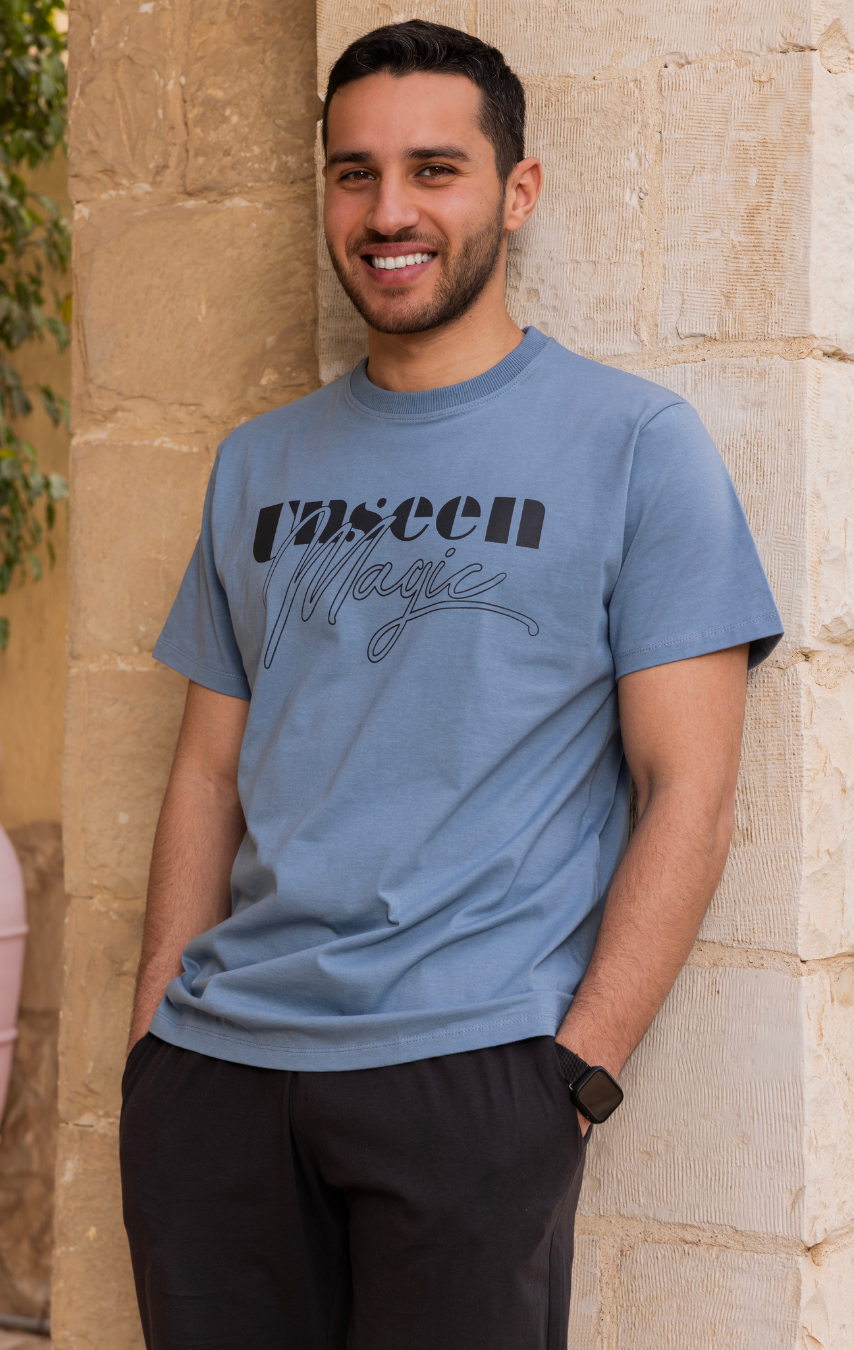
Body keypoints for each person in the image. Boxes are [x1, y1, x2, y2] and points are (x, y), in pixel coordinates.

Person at [117, 19, 783, 1350]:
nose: (389, 212)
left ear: (516, 191)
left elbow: (691, 795)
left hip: (471, 1078)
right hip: (221, 1081)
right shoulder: (259, 463)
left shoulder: (636, 445)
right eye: (353, 173)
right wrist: (154, 1047)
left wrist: (573, 1076)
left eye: (435, 169)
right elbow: (206, 771)